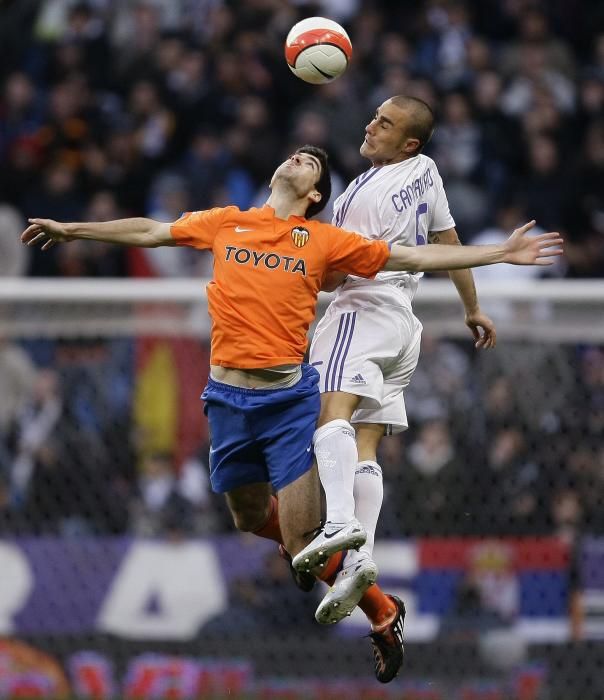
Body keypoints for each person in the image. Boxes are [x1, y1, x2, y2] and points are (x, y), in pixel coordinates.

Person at [21, 145, 562, 683]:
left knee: (303, 544)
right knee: (249, 517)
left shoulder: (323, 241)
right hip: (227, 400)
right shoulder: (229, 222)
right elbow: (150, 231)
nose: (297, 159)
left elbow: (414, 257)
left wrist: (497, 255)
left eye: (310, 162)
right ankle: (367, 589)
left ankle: (382, 611)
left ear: (316, 193)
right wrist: (74, 229)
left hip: (287, 404)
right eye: (295, 155)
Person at [290, 97, 537, 647]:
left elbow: (334, 278)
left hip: (361, 312)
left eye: (384, 123)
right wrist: (472, 307)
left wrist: (291, 258)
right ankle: (362, 559)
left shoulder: (360, 194)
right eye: (374, 116)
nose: (369, 126)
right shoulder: (426, 173)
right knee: (367, 444)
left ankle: (337, 524)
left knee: (331, 418)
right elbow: (446, 244)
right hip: (405, 323)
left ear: (409, 143)